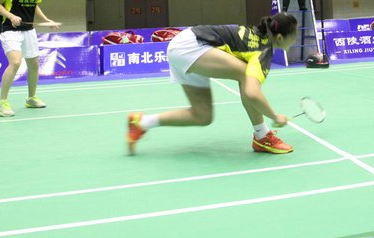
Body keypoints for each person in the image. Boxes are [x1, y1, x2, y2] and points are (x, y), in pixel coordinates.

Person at [126, 13, 300, 155]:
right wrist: (275, 117)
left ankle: (142, 123)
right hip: (191, 47)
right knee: (246, 75)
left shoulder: (257, 36)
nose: (295, 40)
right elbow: (252, 93)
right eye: (294, 36)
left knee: (202, 116)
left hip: (184, 45)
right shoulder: (263, 51)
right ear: (279, 37)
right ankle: (262, 136)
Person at [0, 0, 60, 117]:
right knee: (15, 62)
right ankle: (2, 102)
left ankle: (31, 98)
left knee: (34, 65)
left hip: (28, 30)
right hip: (11, 30)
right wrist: (11, 16)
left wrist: (46, 20)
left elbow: (34, 5)